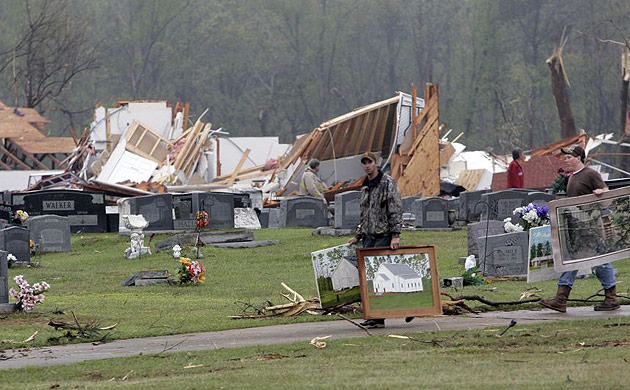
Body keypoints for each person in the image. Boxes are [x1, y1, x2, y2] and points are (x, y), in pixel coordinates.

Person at [539, 145, 619, 312]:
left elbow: (606, 191)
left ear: (578, 157)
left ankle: (610, 297)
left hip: (591, 225)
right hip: (577, 226)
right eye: (565, 158)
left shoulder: (590, 174)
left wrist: (600, 191)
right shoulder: (572, 177)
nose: (566, 160)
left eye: (569, 157)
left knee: (599, 259)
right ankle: (563, 299)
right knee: (577, 260)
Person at [348, 152, 403, 328]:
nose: (367, 166)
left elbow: (395, 208)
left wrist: (395, 235)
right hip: (369, 237)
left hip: (383, 234)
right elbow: (365, 215)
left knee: (379, 277)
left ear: (376, 163)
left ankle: (379, 317)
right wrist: (357, 235)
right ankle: (372, 315)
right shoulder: (365, 186)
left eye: (369, 162)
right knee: (367, 278)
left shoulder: (387, 182)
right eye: (364, 163)